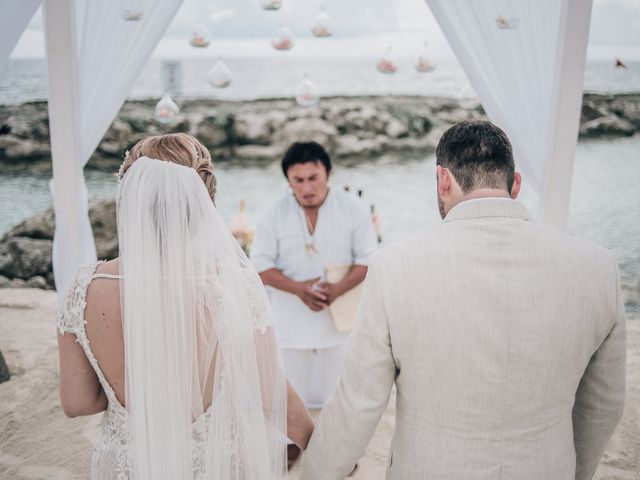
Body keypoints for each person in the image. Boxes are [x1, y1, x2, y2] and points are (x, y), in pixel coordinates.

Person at [300, 120, 627, 480]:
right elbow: (603, 404)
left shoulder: (393, 267)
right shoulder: (597, 268)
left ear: (443, 180)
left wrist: (315, 473)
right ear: (515, 184)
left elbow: (357, 405)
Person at [56, 133, 314, 480]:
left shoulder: (84, 287)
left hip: (129, 465)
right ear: (203, 202)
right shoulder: (231, 284)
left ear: (131, 197)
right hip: (210, 465)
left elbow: (77, 403)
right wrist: (322, 448)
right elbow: (270, 394)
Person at [250, 141, 377, 466]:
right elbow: (260, 265)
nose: (307, 187)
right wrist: (298, 289)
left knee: (340, 394)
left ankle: (341, 454)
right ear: (288, 181)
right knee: (289, 392)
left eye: (313, 178)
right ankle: (290, 445)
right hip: (290, 320)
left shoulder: (352, 209)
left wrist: (336, 290)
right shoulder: (273, 213)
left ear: (328, 173)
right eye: (298, 180)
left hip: (340, 320)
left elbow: (368, 259)